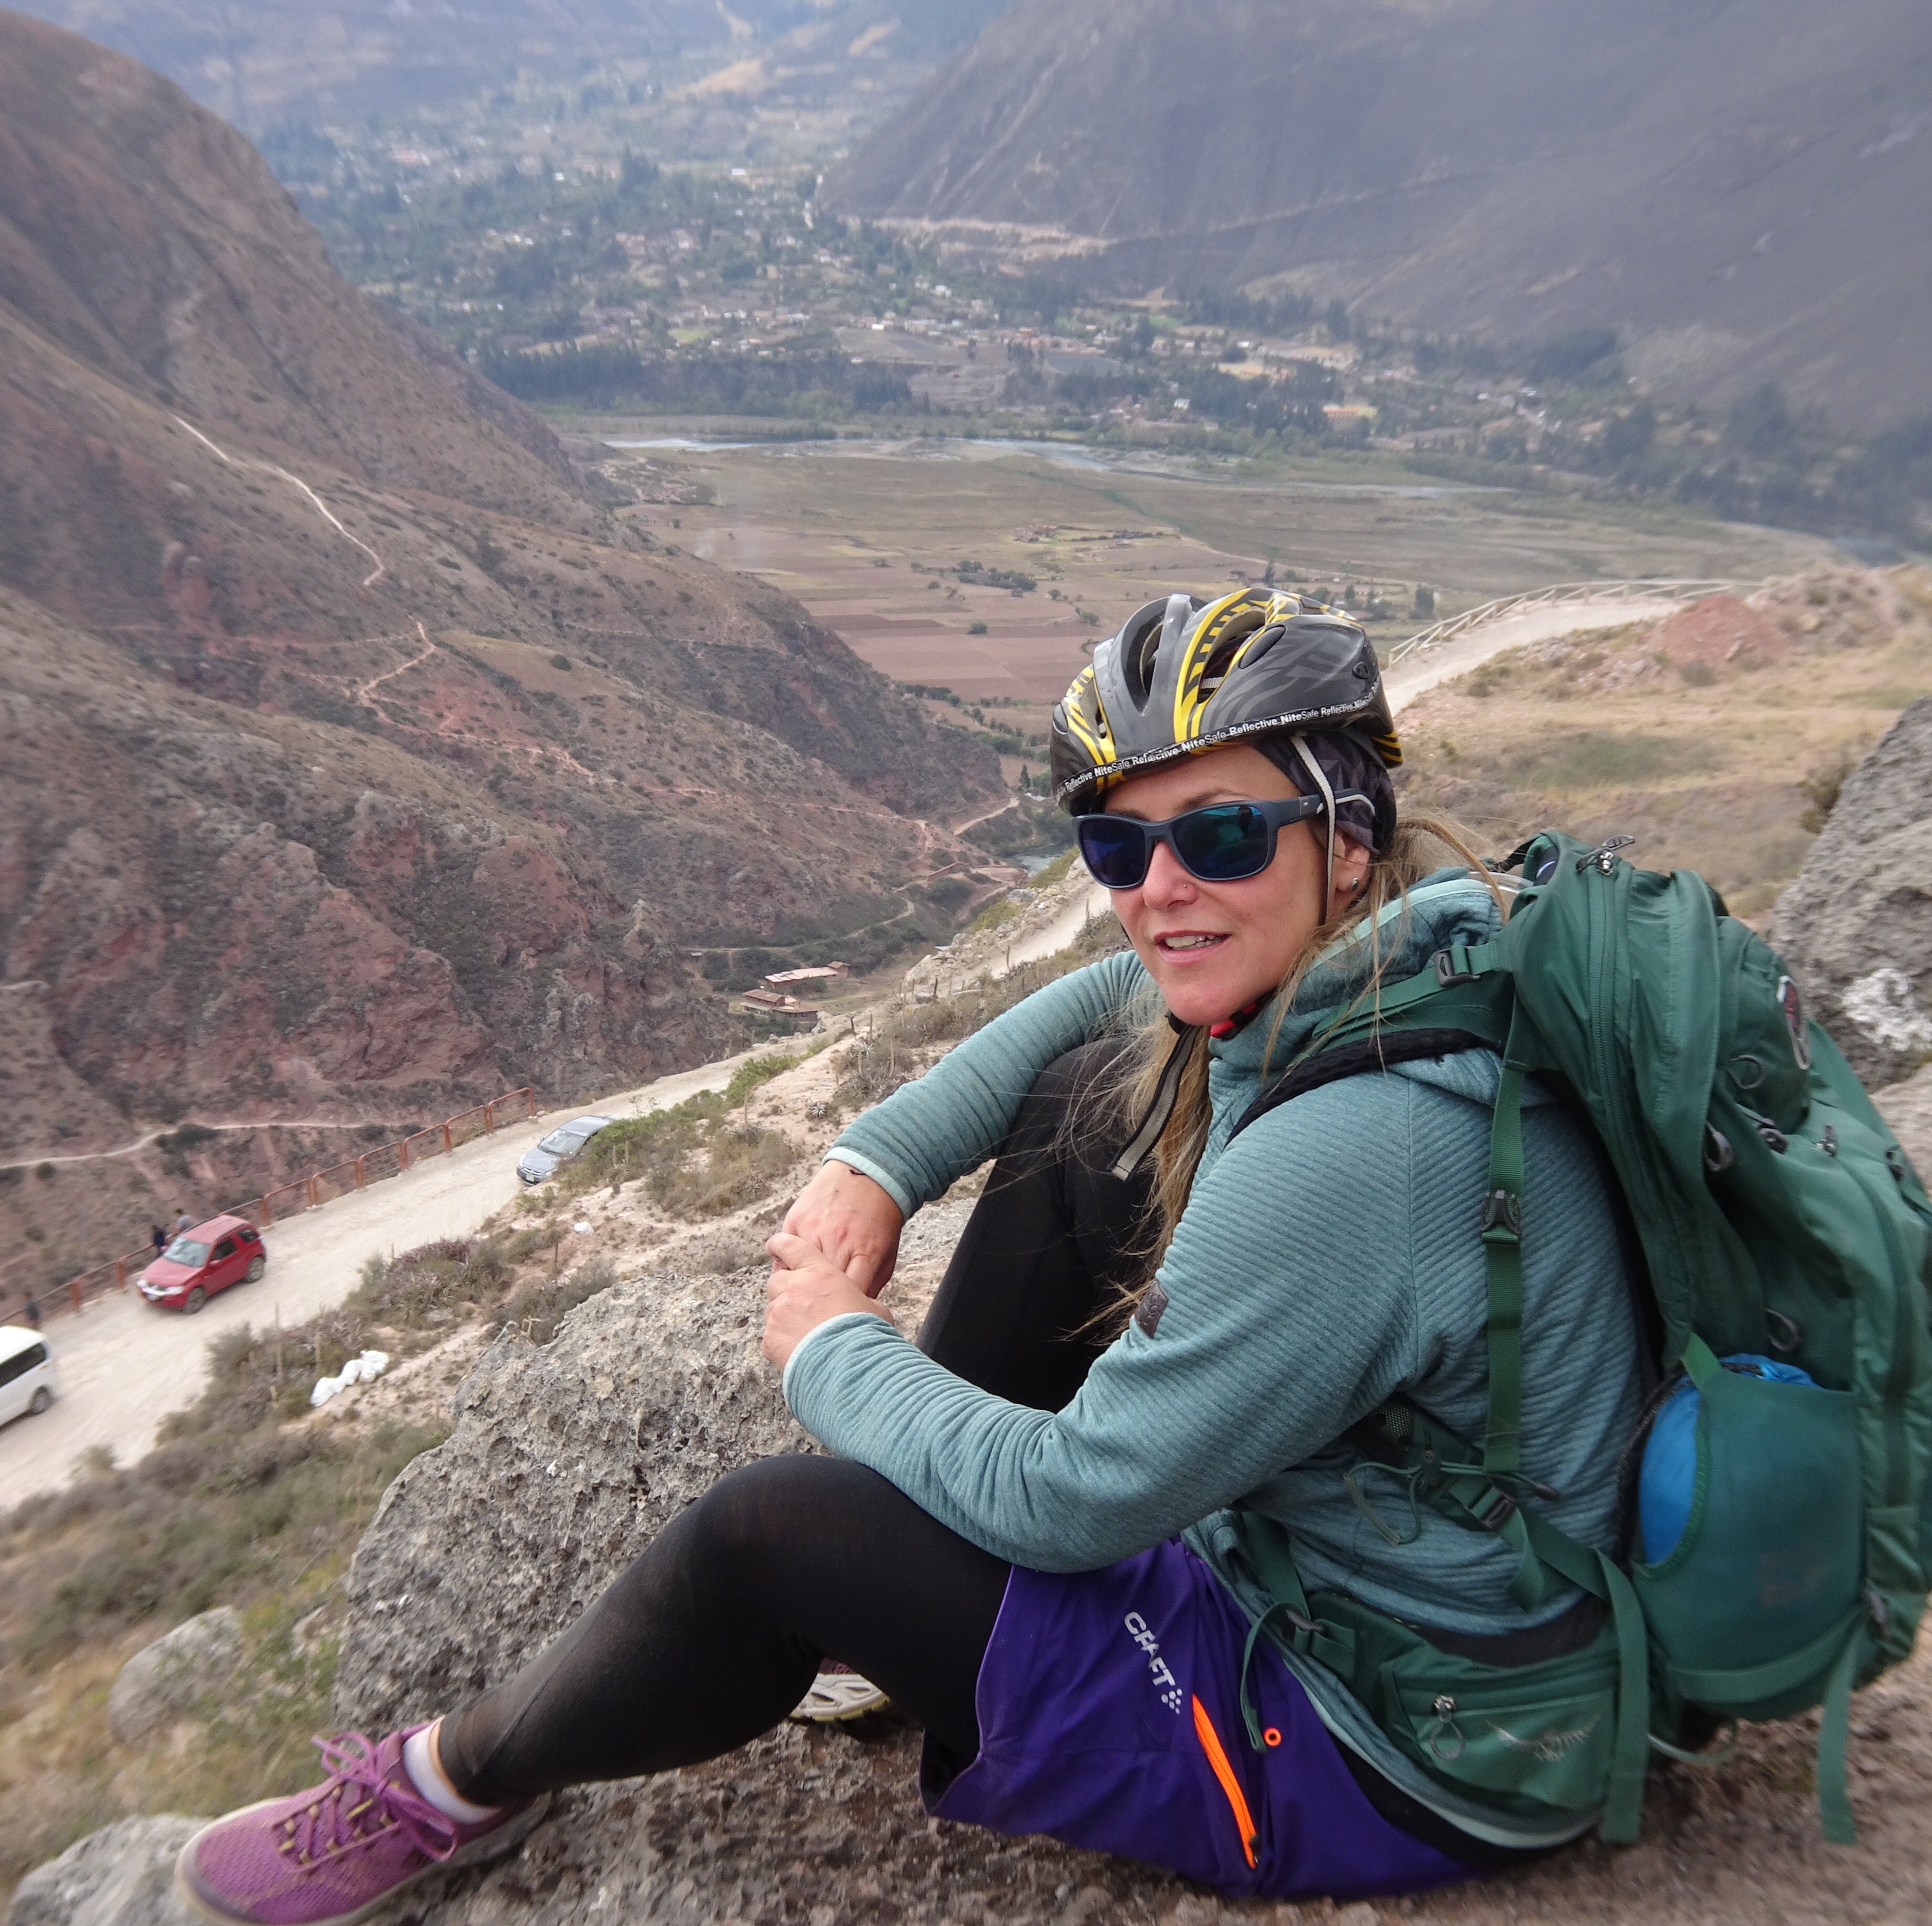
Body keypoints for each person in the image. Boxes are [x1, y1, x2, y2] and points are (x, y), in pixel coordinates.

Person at [174, 588, 1646, 1925]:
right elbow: (1108, 999)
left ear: (1348, 834)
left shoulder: (1361, 1147)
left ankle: (444, 1790)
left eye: (1218, 837)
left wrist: (833, 1346)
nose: (1159, 889)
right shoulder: (1420, 960)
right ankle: (896, 1608)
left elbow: (1075, 1499)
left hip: (1392, 1733)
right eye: (1118, 845)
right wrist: (881, 1162)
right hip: (1441, 1603)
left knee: (768, 1536)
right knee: (1083, 1113)